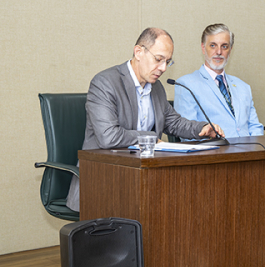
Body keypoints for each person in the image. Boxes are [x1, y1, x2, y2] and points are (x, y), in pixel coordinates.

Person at [66, 27, 224, 211]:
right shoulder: (105, 83)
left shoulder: (155, 88)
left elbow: (173, 122)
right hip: (104, 182)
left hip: (143, 178)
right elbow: (108, 137)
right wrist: (149, 138)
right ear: (138, 52)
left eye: (168, 62)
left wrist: (203, 128)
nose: (163, 68)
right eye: (158, 60)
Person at [174, 23, 263, 137]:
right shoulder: (186, 85)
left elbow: (255, 127)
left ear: (230, 50)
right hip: (215, 152)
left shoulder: (243, 87)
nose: (219, 52)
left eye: (224, 46)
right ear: (203, 48)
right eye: (213, 45)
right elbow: (187, 134)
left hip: (250, 151)